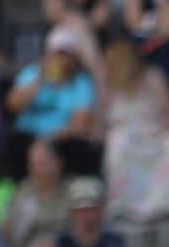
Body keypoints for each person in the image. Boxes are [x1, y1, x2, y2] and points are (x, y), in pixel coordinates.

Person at [103, 35, 169, 227]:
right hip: (127, 140)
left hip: (154, 138)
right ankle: (121, 205)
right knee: (116, 142)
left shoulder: (153, 77)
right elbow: (105, 120)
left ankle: (168, 205)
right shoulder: (110, 86)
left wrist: (158, 133)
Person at [6, 26, 100, 177]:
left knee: (78, 147)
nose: (62, 60)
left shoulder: (81, 82)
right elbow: (13, 105)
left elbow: (80, 122)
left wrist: (50, 139)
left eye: (66, 55)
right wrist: (40, 79)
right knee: (15, 144)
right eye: (57, 54)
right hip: (28, 135)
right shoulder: (30, 74)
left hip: (60, 138)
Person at [0, 139, 71, 247]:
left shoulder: (72, 191)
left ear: (58, 163)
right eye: (33, 165)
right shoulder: (23, 193)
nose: (37, 170)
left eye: (42, 164)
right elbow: (12, 235)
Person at [55, 176, 127, 247]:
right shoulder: (61, 243)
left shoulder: (115, 241)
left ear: (102, 209)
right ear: (72, 212)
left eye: (91, 209)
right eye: (80, 210)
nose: (86, 216)